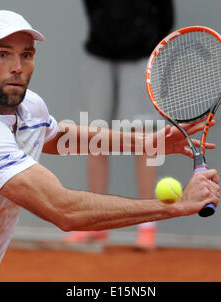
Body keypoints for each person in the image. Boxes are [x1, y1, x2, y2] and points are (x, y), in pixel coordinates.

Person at [0, 10, 220, 281]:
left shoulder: (29, 106)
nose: (17, 67)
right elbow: (65, 210)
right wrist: (173, 207)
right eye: (2, 54)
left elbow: (56, 137)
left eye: (26, 55)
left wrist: (146, 142)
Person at [64, 0, 175, 251]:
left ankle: (147, 226)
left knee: (146, 140)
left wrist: (147, 40)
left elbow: (166, 14)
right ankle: (96, 224)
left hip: (141, 56)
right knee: (94, 138)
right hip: (98, 54)